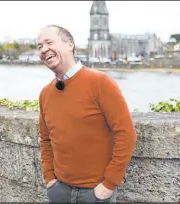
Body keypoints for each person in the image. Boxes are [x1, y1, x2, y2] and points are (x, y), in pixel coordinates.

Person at [37, 24, 137, 203]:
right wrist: (50, 179)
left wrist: (108, 185)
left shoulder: (100, 82)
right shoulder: (45, 94)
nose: (44, 49)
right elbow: (45, 139)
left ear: (70, 44)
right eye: (39, 46)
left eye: (49, 42)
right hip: (59, 191)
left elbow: (126, 134)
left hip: (95, 194)